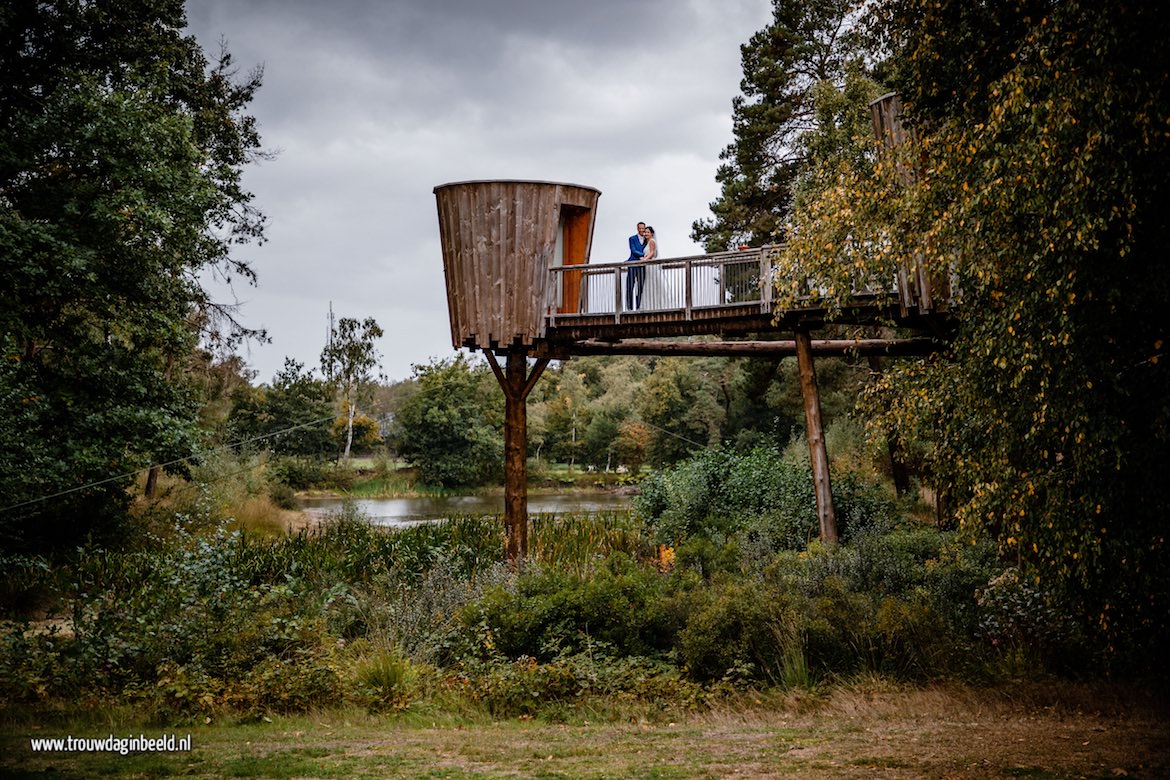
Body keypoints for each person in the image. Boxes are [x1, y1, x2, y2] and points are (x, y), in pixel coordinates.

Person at [640, 225, 664, 309]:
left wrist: (644, 259)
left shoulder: (652, 241)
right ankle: (650, 305)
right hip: (648, 266)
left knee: (653, 283)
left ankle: (656, 305)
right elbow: (648, 252)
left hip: (651, 265)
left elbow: (652, 253)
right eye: (645, 232)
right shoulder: (648, 242)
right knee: (649, 284)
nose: (646, 234)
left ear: (652, 234)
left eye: (648, 232)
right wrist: (643, 257)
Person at [625, 221, 646, 310]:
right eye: (640, 228)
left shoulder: (647, 239)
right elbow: (633, 250)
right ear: (637, 229)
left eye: (643, 228)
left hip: (642, 266)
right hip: (633, 265)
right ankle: (629, 308)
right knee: (630, 286)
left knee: (641, 286)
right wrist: (644, 255)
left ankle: (639, 307)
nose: (641, 230)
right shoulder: (632, 238)